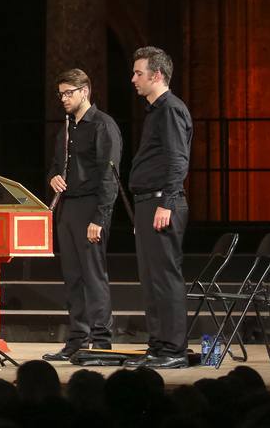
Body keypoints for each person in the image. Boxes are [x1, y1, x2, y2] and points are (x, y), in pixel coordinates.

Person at [43, 69, 123, 361]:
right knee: (73, 277)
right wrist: (53, 177)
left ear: (85, 91)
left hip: (91, 206)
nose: (63, 99)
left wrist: (100, 218)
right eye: (61, 94)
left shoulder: (103, 125)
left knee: (93, 275)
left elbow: (109, 177)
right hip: (68, 208)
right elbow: (56, 165)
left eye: (68, 93)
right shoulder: (66, 129)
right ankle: (78, 339)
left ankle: (101, 342)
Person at [125, 46, 193, 369]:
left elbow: (178, 160)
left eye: (139, 73)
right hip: (148, 203)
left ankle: (174, 349)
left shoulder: (170, 109)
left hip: (163, 202)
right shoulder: (156, 111)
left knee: (165, 277)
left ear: (157, 75)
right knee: (151, 279)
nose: (133, 79)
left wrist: (166, 202)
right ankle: (159, 345)